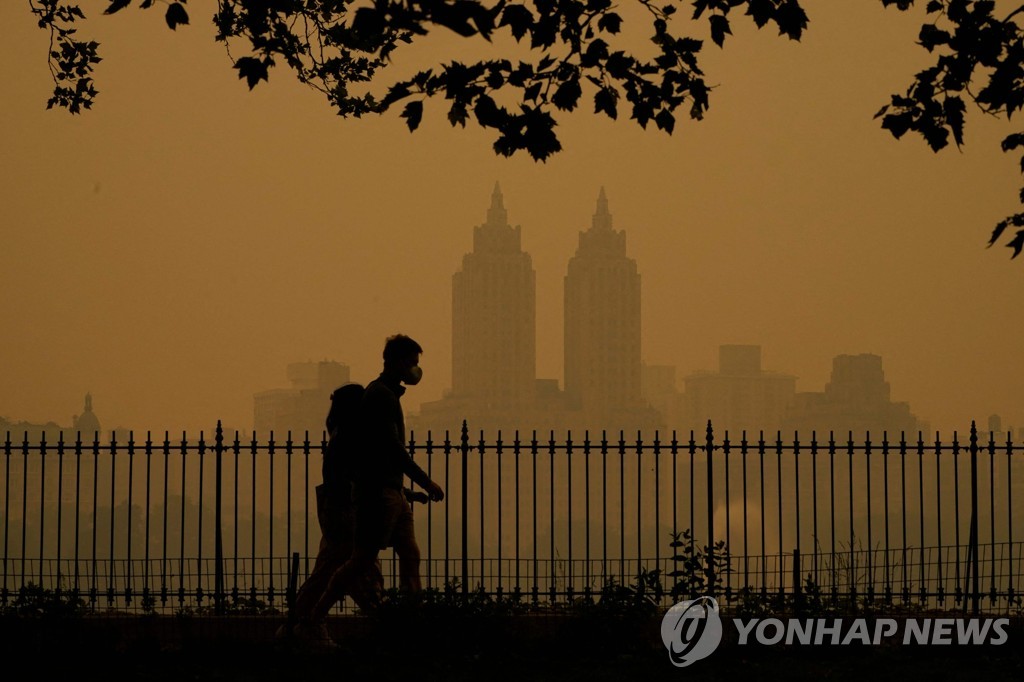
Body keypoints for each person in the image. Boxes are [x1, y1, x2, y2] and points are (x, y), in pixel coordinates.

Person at [308, 334, 444, 629]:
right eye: (411, 362)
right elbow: (390, 448)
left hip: (392, 492)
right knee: (361, 559)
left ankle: (413, 619)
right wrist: (425, 482)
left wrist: (406, 491)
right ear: (395, 362)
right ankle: (314, 617)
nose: (415, 369)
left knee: (410, 552)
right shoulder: (380, 395)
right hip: (378, 494)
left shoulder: (388, 394)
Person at [281, 382, 429, 652]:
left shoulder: (342, 435)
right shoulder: (352, 437)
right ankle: (381, 624)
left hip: (336, 509)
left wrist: (403, 491)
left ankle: (297, 625)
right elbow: (363, 477)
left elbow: (364, 475)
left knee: (328, 571)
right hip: (345, 510)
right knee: (360, 569)